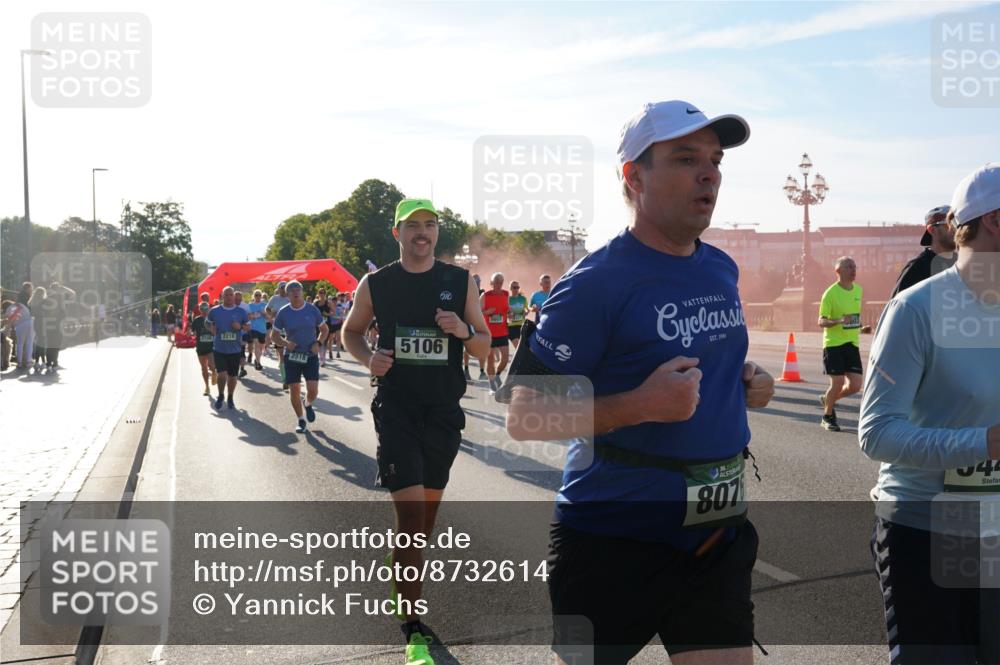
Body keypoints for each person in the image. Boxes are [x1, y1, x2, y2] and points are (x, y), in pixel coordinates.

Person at [500, 100, 774, 664]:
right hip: (610, 539)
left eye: (716, 161)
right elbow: (524, 415)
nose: (710, 174)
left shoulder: (721, 267)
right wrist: (640, 404)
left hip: (713, 535)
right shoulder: (593, 284)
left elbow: (706, 362)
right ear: (634, 176)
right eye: (685, 158)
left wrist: (746, 380)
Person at [860, 163, 1000, 664]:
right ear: (994, 221)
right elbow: (876, 434)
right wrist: (984, 443)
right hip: (928, 533)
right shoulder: (917, 310)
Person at [343, 198, 489, 665]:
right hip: (398, 410)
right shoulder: (377, 282)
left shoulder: (458, 281)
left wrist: (463, 330)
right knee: (410, 521)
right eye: (413, 226)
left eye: (430, 226)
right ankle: (413, 627)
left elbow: (486, 345)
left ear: (436, 233)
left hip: (444, 412)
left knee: (425, 524)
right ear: (397, 233)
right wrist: (371, 360)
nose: (422, 233)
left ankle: (402, 572)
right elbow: (351, 332)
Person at [818, 256, 870, 432]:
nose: (853, 269)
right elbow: (821, 321)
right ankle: (827, 416)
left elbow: (853, 318)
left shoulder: (859, 291)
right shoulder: (830, 293)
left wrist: (862, 328)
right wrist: (839, 320)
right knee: (838, 382)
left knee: (855, 386)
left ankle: (829, 400)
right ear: (838, 271)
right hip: (833, 344)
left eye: (854, 266)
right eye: (848, 266)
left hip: (851, 343)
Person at [270, 281, 329, 433]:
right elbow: (274, 336)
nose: (295, 293)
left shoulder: (312, 309)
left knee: (313, 390)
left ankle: (307, 403)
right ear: (287, 294)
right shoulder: (283, 312)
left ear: (302, 292)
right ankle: (300, 419)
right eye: (292, 291)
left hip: (310, 355)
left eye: (298, 290)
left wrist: (319, 342)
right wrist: (285, 343)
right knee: (294, 389)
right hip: (292, 356)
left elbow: (324, 329)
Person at [890, 205, 958, 297]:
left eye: (957, 224)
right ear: (931, 230)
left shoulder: (966, 265)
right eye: (948, 225)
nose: (955, 229)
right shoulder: (917, 268)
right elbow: (899, 306)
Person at [205, 286, 250, 410]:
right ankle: (220, 395)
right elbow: (207, 323)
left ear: (234, 296)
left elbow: (248, 327)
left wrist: (240, 326)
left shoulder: (241, 312)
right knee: (222, 375)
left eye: (231, 295)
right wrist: (210, 329)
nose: (229, 297)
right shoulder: (214, 311)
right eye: (227, 295)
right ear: (222, 296)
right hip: (219, 348)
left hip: (235, 349)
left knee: (232, 376)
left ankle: (230, 397)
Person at [480, 272, 510, 393]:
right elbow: (477, 312)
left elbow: (507, 308)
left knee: (505, 359)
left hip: (502, 331)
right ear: (491, 283)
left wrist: (510, 312)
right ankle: (492, 383)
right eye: (496, 282)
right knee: (491, 359)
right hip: (489, 333)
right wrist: (487, 312)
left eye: (500, 282)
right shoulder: (485, 296)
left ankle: (497, 375)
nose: (498, 284)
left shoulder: (506, 294)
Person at [463, 274, 488, 382]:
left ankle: (482, 372)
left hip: (480, 323)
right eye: (475, 282)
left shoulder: (483, 293)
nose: (477, 284)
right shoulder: (465, 292)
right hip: (468, 322)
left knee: (481, 347)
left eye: (478, 282)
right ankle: (466, 369)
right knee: (466, 348)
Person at [267, 282, 291, 390]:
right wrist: (271, 315)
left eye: (285, 288)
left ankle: (289, 375)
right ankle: (285, 378)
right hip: (278, 330)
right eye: (281, 288)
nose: (283, 290)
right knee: (281, 355)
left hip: (290, 330)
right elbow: (267, 308)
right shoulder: (274, 298)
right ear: (278, 289)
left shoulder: (290, 299)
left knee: (290, 355)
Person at [190, 302, 217, 395]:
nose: (204, 311)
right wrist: (190, 333)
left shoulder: (213, 320)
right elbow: (192, 332)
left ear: (209, 309)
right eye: (202, 309)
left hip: (211, 346)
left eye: (206, 309)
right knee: (203, 368)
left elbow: (216, 331)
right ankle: (207, 387)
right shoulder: (197, 320)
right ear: (200, 310)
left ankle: (214, 372)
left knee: (212, 366)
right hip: (201, 347)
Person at [3, 299, 32, 371]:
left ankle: (19, 363)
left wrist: (6, 332)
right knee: (29, 343)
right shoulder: (20, 305)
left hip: (21, 325)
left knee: (19, 344)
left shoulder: (9, 309)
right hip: (31, 323)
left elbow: (9, 321)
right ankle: (28, 362)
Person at [247, 290, 268, 370]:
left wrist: (264, 313)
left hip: (262, 328)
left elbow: (268, 317)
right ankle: (258, 363)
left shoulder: (265, 305)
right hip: (253, 328)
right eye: (256, 295)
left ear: (261, 296)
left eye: (259, 295)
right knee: (256, 344)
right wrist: (252, 315)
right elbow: (247, 317)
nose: (258, 296)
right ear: (253, 296)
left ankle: (256, 359)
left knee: (261, 346)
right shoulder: (250, 305)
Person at [28, 286, 47, 372]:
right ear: (42, 293)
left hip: (36, 323)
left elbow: (32, 314)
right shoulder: (44, 302)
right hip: (43, 323)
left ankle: (37, 362)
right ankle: (42, 362)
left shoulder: (32, 302)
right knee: (42, 343)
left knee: (38, 342)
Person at [507, 280, 528, 349]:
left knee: (522, 347)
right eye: (514, 287)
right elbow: (503, 312)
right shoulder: (507, 299)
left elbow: (527, 309)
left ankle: (523, 359)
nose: (516, 289)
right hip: (511, 326)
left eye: (517, 287)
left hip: (521, 325)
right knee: (518, 347)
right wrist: (508, 315)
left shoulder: (523, 299)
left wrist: (526, 312)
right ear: (510, 288)